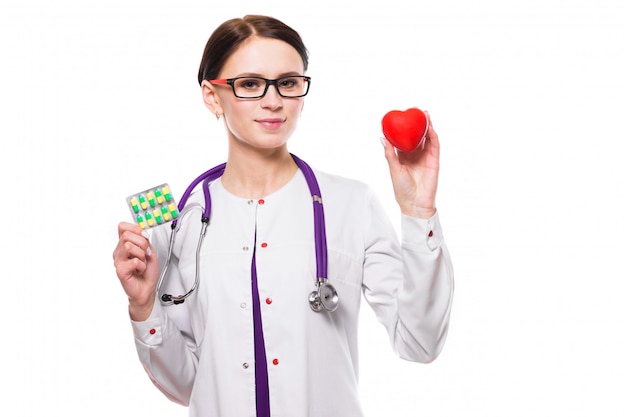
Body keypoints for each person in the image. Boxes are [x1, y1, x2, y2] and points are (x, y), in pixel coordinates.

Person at [112, 14, 454, 417]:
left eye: (288, 83)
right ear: (211, 96)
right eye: (250, 84)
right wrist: (144, 305)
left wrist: (418, 212)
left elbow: (420, 342)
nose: (273, 101)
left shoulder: (351, 204)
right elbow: (187, 385)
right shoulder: (176, 223)